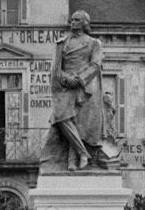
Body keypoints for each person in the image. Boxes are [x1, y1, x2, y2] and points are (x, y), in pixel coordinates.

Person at [40, 10, 122, 171]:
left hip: (85, 88)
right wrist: (65, 79)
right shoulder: (62, 43)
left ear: (85, 23)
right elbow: (55, 68)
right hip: (65, 87)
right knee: (60, 117)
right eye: (72, 20)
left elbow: (95, 66)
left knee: (81, 125)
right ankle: (83, 153)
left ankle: (73, 161)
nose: (73, 23)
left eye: (77, 20)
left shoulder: (93, 44)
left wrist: (78, 79)